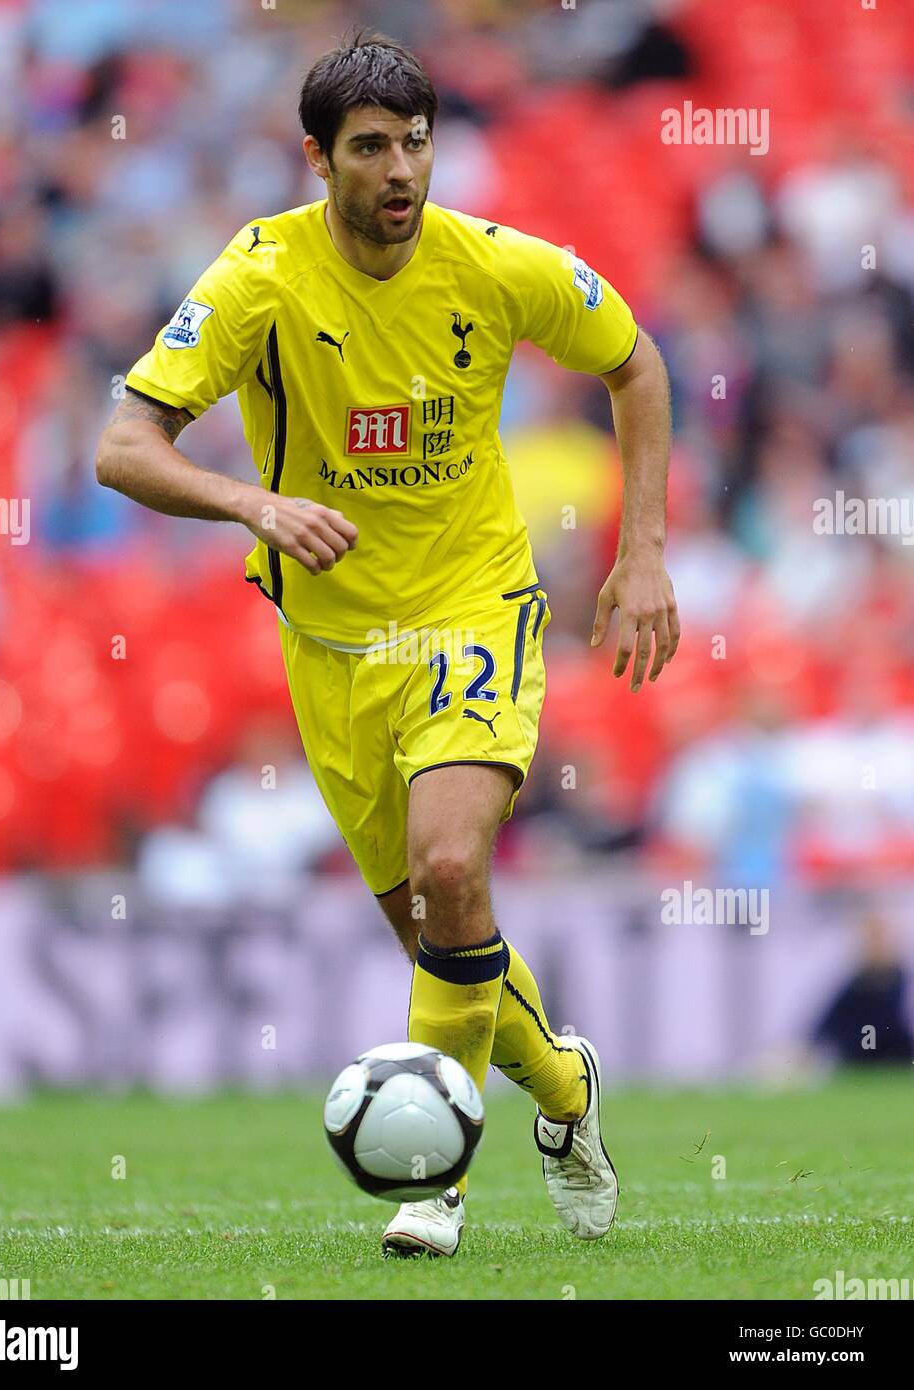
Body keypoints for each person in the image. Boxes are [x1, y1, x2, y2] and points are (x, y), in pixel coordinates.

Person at [95, 30, 680, 1257]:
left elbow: (637, 363)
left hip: (475, 609)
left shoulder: (495, 265)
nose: (402, 169)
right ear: (318, 159)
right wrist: (254, 504)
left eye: (417, 142)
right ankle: (566, 1090)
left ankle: (437, 1179)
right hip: (333, 649)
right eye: (371, 147)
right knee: (442, 930)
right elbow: (124, 447)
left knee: (454, 869)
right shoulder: (260, 276)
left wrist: (642, 554)